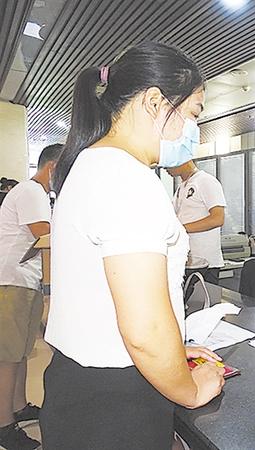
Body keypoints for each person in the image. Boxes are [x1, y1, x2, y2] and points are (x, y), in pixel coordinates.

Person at [39, 42, 225, 450]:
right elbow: (144, 330)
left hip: (80, 382)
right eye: (194, 114)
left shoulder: (91, 163)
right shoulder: (126, 178)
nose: (193, 131)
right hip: (116, 401)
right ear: (154, 102)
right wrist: (189, 388)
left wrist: (172, 354)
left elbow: (103, 301)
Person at [0, 144, 63, 450]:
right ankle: (3, 425)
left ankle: (19, 405)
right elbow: (45, 233)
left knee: (21, 352)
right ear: (53, 167)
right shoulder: (31, 191)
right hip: (10, 282)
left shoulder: (36, 193)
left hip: (23, 281)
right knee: (7, 356)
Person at [166, 160, 226, 285]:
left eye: (168, 162)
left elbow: (218, 218)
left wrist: (181, 229)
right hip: (186, 261)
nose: (165, 168)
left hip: (205, 264)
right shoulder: (182, 187)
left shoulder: (206, 181)